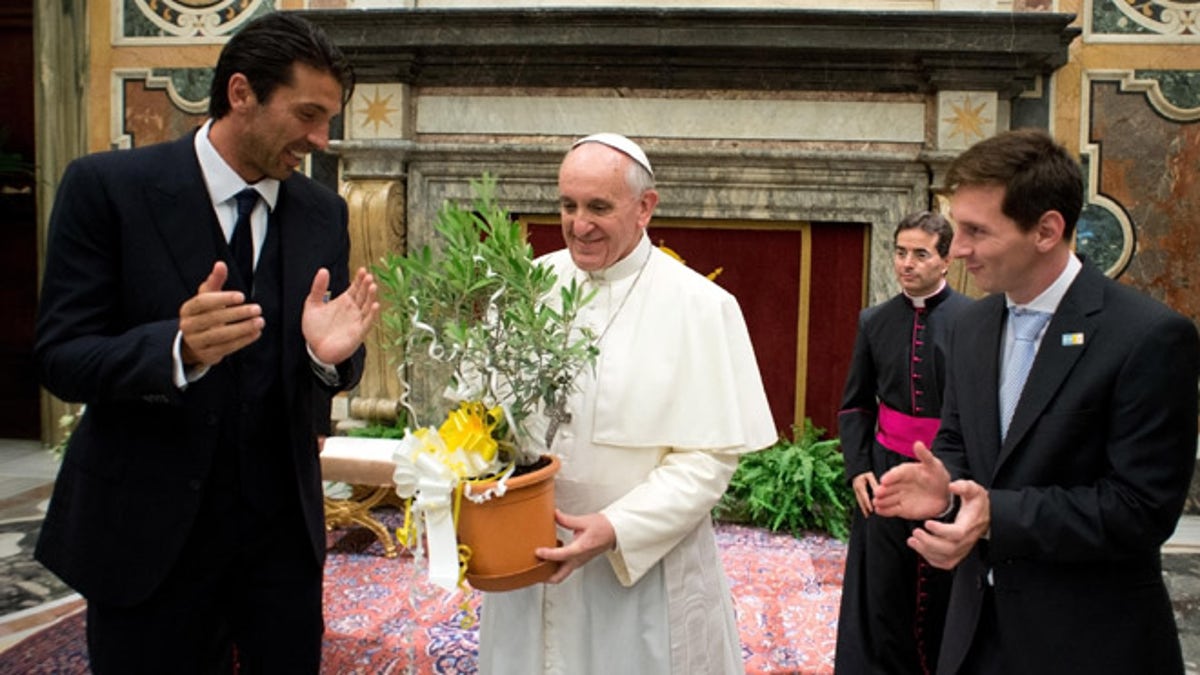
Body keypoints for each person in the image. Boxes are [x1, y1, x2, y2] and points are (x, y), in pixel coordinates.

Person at [33, 12, 379, 673]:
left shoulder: (321, 211)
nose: (320, 138)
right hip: (147, 539)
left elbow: (332, 357)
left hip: (280, 549)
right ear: (241, 92)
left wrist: (325, 358)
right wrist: (175, 349)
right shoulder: (107, 188)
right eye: (307, 114)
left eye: (329, 119)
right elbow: (60, 355)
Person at [872, 128, 1199, 674]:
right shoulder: (972, 326)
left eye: (977, 231)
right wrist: (944, 485)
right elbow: (960, 441)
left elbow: (1140, 509)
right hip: (974, 637)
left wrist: (995, 514)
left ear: (1047, 229)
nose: (959, 251)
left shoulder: (1148, 336)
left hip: (1090, 645)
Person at [477, 133, 778, 674]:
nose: (579, 224)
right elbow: (485, 422)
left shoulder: (700, 307)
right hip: (529, 559)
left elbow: (706, 460)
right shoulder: (526, 287)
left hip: (639, 572)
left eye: (598, 207)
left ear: (645, 208)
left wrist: (616, 527)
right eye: (567, 205)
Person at [834, 211, 970, 674]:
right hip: (886, 472)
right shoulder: (874, 321)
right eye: (900, 252)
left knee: (946, 589)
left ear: (947, 260)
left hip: (951, 473)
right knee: (881, 592)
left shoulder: (975, 322)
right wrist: (858, 467)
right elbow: (855, 404)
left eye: (920, 253)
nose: (906, 263)